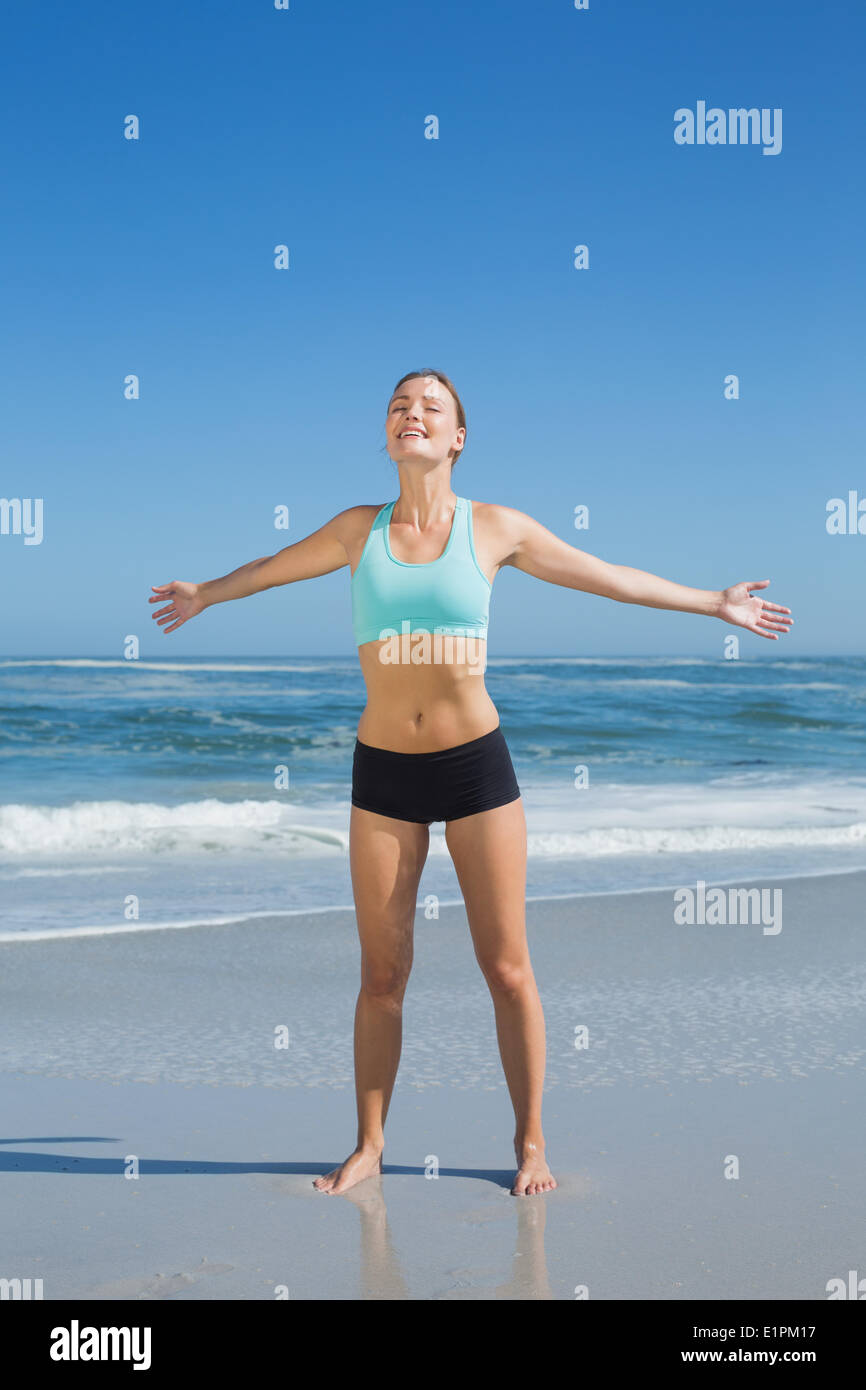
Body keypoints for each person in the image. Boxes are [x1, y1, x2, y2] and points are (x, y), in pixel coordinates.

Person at [149, 368, 793, 1196]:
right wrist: (207, 593)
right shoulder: (356, 531)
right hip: (382, 773)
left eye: (430, 408)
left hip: (475, 769)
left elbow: (603, 575)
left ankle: (530, 1145)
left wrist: (712, 602)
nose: (411, 415)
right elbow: (274, 566)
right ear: (387, 436)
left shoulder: (494, 529)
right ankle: (370, 1147)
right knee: (382, 977)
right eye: (398, 408)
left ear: (457, 438)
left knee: (508, 968)